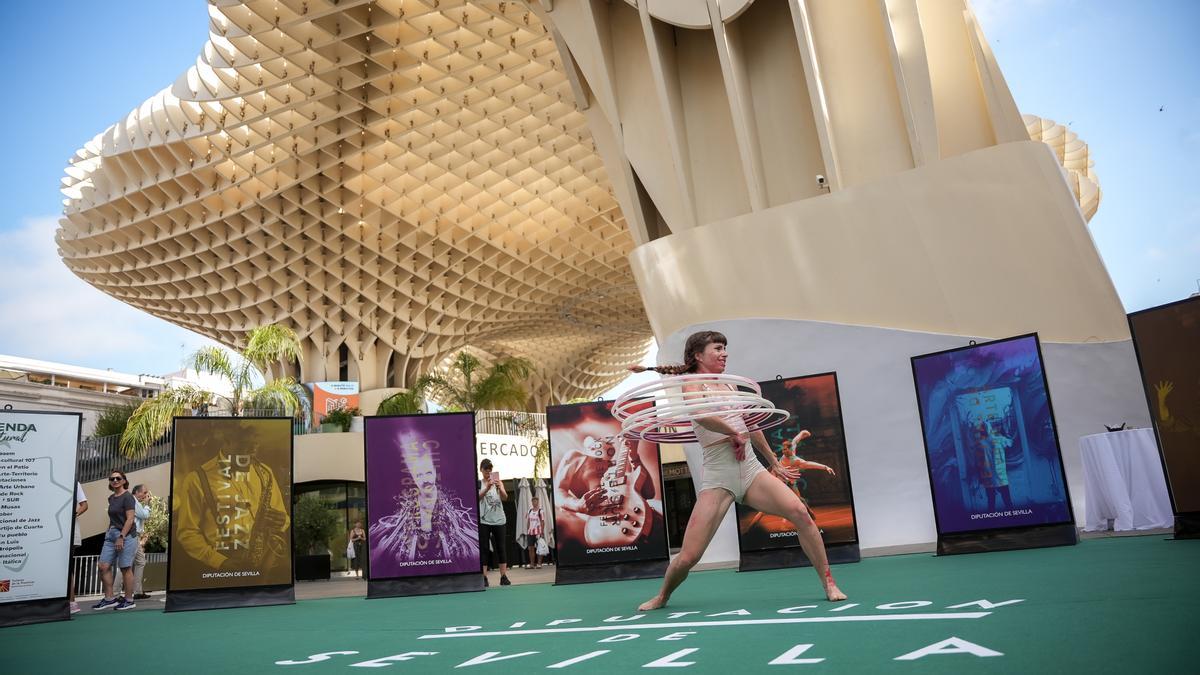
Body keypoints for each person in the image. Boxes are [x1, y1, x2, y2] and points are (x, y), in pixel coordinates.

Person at [633, 331, 847, 611]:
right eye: (718, 348)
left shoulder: (730, 386)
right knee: (689, 556)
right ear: (698, 355)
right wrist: (732, 431)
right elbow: (701, 416)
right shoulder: (692, 386)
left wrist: (773, 463)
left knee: (801, 513)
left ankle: (829, 582)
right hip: (719, 477)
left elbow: (752, 425)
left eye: (725, 348)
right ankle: (663, 596)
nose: (724, 353)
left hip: (750, 469)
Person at [175, 429, 290, 577]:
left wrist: (282, 520)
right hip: (221, 565)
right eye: (245, 445)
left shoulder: (264, 472)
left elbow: (283, 517)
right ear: (227, 441)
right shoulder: (196, 479)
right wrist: (218, 561)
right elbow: (187, 532)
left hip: (264, 562)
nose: (252, 452)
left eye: (255, 445)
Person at [371, 435, 478, 569]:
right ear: (413, 477)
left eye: (428, 473)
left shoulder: (453, 506)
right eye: (419, 475)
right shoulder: (403, 508)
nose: (425, 480)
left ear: (435, 471)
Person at [93, 470, 138, 611]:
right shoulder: (111, 498)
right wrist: (110, 531)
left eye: (118, 478)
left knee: (125, 567)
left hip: (126, 535)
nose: (115, 480)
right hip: (111, 535)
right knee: (103, 566)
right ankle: (109, 599)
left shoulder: (128, 497)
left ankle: (129, 600)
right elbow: (113, 517)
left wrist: (121, 537)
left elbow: (130, 519)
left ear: (124, 480)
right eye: (112, 478)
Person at [478, 459, 511, 586]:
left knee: (501, 548)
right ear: (481, 469)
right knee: (484, 548)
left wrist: (499, 488)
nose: (488, 471)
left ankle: (503, 576)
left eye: (490, 469)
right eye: (486, 469)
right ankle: (484, 577)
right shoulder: (479, 483)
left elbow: (505, 497)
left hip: (499, 519)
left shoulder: (499, 482)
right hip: (484, 520)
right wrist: (487, 488)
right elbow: (477, 497)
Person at [68, 482, 88, 615]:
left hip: (70, 531)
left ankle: (72, 603)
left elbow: (84, 505)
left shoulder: (74, 482)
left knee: (67, 567)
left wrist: (73, 515)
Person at [526, 496, 545, 569]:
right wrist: (527, 530)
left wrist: (542, 532)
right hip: (530, 532)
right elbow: (528, 521)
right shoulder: (529, 511)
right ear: (532, 502)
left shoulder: (541, 511)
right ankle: (532, 564)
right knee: (531, 548)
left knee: (540, 548)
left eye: (535, 501)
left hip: (538, 532)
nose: (534, 502)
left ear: (538, 502)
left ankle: (539, 563)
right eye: (533, 501)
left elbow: (543, 522)